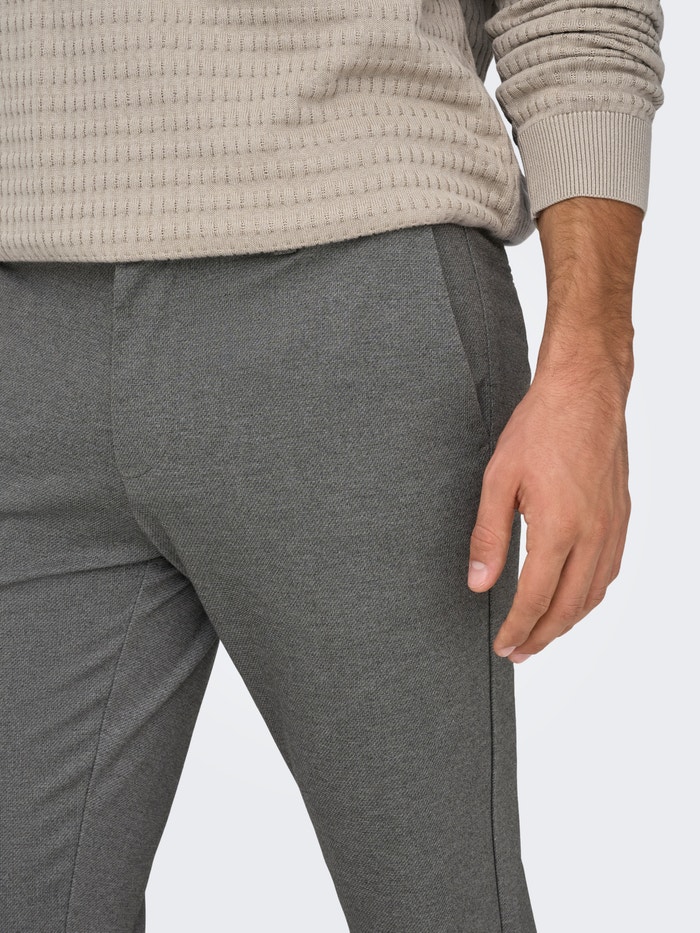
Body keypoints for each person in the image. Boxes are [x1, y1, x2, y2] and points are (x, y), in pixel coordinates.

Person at [0, 1, 665, 930]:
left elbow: (575, 10)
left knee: (436, 908)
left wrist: (591, 362)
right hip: (23, 323)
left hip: (356, 295)